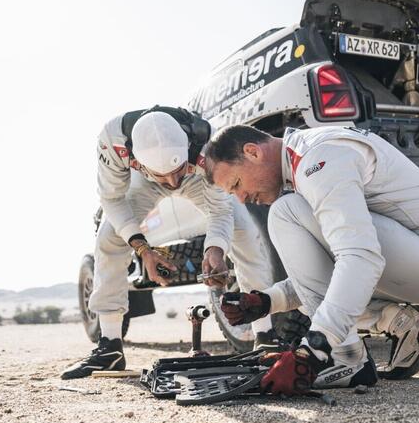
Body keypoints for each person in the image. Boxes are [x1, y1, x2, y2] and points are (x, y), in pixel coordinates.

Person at [206, 125, 419, 395]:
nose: (242, 198)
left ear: (252, 152)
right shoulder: (307, 156)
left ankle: (346, 357)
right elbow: (321, 278)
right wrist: (266, 301)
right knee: (294, 214)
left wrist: (313, 351)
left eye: (237, 184)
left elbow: (360, 257)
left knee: (286, 213)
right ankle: (400, 322)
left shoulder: (317, 159)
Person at [61, 108, 275, 380]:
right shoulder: (112, 142)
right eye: (166, 177)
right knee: (109, 237)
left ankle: (265, 334)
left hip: (197, 176)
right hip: (145, 181)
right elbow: (112, 201)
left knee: (242, 227)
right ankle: (109, 347)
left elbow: (220, 211)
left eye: (176, 172)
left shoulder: (206, 144)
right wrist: (143, 249)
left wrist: (215, 248)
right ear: (136, 160)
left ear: (187, 147)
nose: (173, 184)